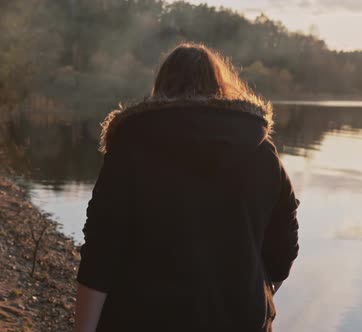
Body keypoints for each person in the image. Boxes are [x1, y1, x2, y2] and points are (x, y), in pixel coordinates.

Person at [74, 43, 300, 332]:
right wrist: (255, 295)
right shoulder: (262, 151)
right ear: (221, 86)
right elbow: (284, 250)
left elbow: (101, 252)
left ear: (161, 88)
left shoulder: (131, 146)